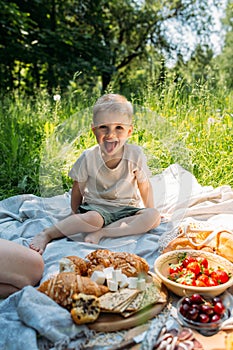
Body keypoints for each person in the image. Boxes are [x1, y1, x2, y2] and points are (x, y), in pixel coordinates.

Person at [30, 93, 161, 254]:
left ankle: (103, 233)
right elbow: (78, 187)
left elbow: (144, 185)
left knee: (153, 216)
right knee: (93, 220)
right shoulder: (89, 157)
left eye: (119, 127)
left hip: (126, 210)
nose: (111, 134)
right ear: (94, 130)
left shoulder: (135, 154)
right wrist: (74, 213)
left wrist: (149, 209)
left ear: (129, 131)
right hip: (96, 209)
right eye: (103, 127)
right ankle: (47, 234)